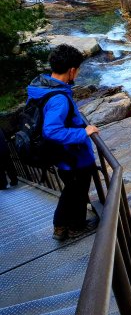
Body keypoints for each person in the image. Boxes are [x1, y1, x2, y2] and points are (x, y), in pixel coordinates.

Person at [27, 44, 100, 240]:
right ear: (72, 71)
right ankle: (76, 227)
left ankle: (60, 227)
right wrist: (83, 132)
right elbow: (51, 130)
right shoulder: (58, 98)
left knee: (70, 192)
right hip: (73, 157)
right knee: (77, 191)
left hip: (62, 156)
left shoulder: (44, 86)